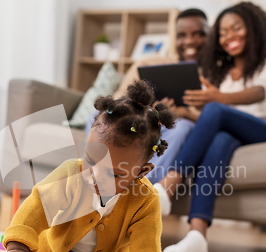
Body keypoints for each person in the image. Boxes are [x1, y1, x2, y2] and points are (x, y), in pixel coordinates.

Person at [0, 80, 175, 252]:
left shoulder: (146, 199)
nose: (95, 177)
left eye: (114, 174)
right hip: (54, 248)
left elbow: (146, 246)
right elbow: (38, 205)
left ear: (141, 171)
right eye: (91, 161)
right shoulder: (70, 173)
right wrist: (17, 247)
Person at [154, 2, 266, 252]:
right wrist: (184, 112)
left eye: (236, 28)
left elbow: (259, 91)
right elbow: (213, 119)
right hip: (238, 138)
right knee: (219, 138)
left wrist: (217, 97)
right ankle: (198, 235)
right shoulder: (225, 73)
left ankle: (168, 185)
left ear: (254, 28)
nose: (229, 35)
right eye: (223, 32)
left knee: (216, 110)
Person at [85, 8, 209, 184]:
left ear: (210, 35)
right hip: (144, 121)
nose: (189, 41)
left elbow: (216, 119)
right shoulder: (150, 62)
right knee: (94, 117)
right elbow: (118, 98)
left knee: (182, 128)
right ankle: (99, 178)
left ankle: (141, 190)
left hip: (179, 126)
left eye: (198, 34)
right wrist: (146, 109)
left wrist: (180, 112)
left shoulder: (218, 75)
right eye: (182, 35)